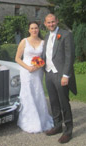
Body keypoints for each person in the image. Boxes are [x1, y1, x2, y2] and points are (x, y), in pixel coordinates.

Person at [42, 13, 77, 144]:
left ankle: (68, 131)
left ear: (57, 21)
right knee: (53, 102)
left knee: (64, 103)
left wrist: (66, 75)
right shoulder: (46, 36)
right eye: (48, 22)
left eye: (53, 22)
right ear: (45, 24)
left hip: (61, 74)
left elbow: (69, 56)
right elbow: (46, 54)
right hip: (49, 73)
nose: (51, 24)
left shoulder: (66, 34)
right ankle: (57, 126)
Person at [15, 21, 54, 133]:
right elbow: (17, 58)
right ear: (29, 30)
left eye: (36, 28)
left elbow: (45, 58)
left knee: (38, 92)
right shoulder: (24, 41)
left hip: (38, 71)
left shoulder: (43, 42)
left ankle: (42, 119)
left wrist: (37, 66)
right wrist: (28, 67)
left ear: (38, 29)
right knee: (28, 94)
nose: (34, 30)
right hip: (26, 71)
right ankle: (29, 121)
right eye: (32, 28)